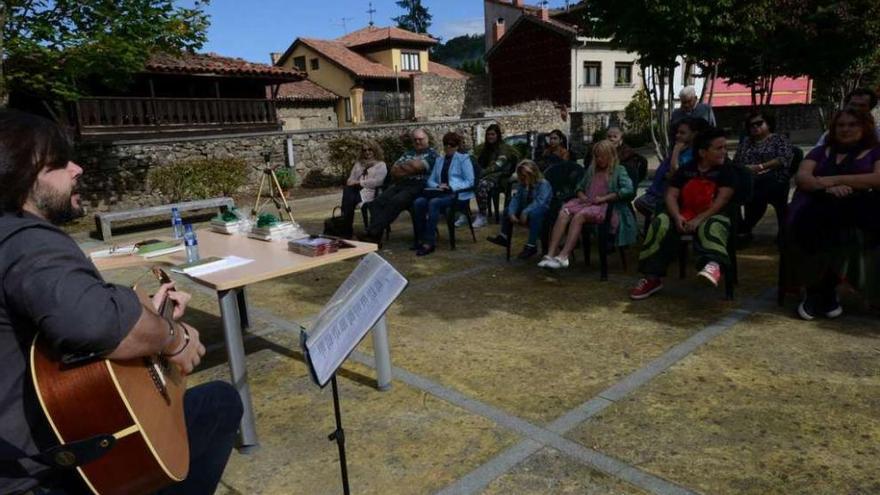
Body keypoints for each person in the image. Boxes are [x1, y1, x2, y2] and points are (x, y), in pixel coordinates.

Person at [0, 110, 242, 495]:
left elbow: (66, 317)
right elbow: (92, 323)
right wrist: (173, 338)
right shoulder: (28, 239)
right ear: (23, 178)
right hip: (45, 475)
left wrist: (148, 313)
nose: (77, 168)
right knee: (220, 403)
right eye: (60, 163)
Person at [787, 109, 880, 320]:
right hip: (819, 203)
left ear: (865, 126)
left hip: (861, 206)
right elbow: (803, 178)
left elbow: (877, 179)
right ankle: (823, 293)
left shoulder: (876, 151)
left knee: (842, 218)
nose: (845, 129)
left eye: (852, 124)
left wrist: (836, 180)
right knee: (819, 218)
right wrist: (827, 189)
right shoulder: (820, 151)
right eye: (841, 125)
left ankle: (823, 291)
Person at [630, 127, 736, 299]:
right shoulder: (686, 169)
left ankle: (713, 266)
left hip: (713, 214)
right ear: (703, 152)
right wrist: (676, 216)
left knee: (712, 226)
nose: (724, 151)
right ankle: (651, 278)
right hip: (685, 213)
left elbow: (722, 200)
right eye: (719, 148)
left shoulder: (727, 170)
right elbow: (671, 195)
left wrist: (699, 219)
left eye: (725, 147)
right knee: (660, 223)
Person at [538, 140, 637, 269]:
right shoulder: (592, 170)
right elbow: (579, 186)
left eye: (602, 156)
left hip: (607, 208)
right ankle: (550, 254)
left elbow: (628, 190)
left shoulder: (619, 170)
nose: (599, 159)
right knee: (564, 212)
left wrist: (606, 197)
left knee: (579, 216)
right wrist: (581, 195)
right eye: (596, 156)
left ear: (610, 156)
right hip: (588, 203)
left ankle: (563, 256)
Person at [358, 128, 439, 245]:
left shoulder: (432, 154)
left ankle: (371, 232)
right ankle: (375, 238)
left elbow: (417, 167)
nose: (417, 142)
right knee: (376, 203)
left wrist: (406, 167)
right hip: (401, 184)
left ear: (427, 139)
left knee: (396, 201)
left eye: (420, 139)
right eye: (415, 140)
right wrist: (410, 167)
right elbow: (394, 170)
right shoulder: (408, 153)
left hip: (418, 186)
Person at [732, 111, 793, 243]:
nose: (755, 127)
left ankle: (745, 228)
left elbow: (784, 159)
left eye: (759, 123)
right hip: (749, 177)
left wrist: (760, 167)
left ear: (768, 124)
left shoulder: (779, 139)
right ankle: (741, 228)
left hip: (773, 176)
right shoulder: (746, 142)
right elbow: (737, 161)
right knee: (730, 191)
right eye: (751, 125)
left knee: (757, 193)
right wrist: (746, 169)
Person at [411, 132, 475, 256]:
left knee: (434, 203)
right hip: (440, 192)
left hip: (456, 194)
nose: (448, 148)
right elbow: (430, 180)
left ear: (457, 146)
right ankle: (421, 238)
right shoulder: (439, 160)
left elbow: (470, 181)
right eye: (446, 145)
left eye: (451, 145)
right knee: (418, 202)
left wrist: (452, 186)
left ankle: (429, 243)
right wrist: (437, 186)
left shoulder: (464, 159)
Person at [634, 117, 708, 219]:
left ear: (694, 134)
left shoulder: (691, 154)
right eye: (677, 132)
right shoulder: (682, 150)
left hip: (668, 198)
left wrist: (676, 150)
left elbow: (675, 174)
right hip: (656, 194)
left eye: (683, 133)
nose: (678, 135)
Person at [486, 160, 552, 259]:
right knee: (507, 210)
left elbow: (540, 202)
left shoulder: (543, 184)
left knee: (535, 214)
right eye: (521, 175)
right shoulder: (523, 184)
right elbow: (516, 198)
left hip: (541, 210)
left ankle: (531, 245)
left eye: (525, 175)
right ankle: (504, 236)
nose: (523, 177)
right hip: (527, 207)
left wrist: (526, 211)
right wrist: (512, 212)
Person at [463, 124, 520, 229]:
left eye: (493, 134)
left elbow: (499, 165)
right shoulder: (485, 148)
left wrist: (482, 173)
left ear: (498, 135)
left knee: (481, 185)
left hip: (499, 177)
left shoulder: (504, 148)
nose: (490, 137)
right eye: (488, 134)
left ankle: (482, 215)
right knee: (465, 183)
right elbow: (472, 156)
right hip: (486, 176)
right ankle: (464, 213)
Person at [339, 139, 387, 238]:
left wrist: (359, 182)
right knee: (348, 191)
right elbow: (349, 180)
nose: (367, 152)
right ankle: (346, 229)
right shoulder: (358, 164)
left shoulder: (381, 165)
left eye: (370, 149)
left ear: (375, 150)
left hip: (371, 192)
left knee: (348, 197)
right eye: (364, 150)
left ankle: (345, 229)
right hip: (355, 190)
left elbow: (378, 182)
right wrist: (361, 170)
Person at [815, 88, 880, 145]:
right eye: (853, 105)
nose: (856, 109)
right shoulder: (831, 134)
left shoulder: (877, 135)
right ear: (846, 106)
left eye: (862, 106)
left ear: (870, 108)